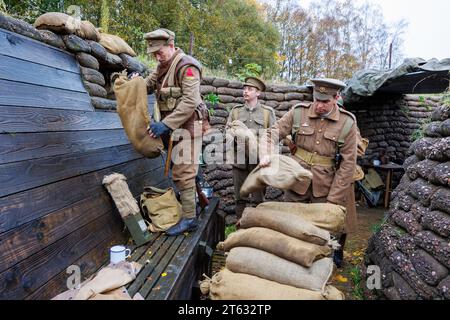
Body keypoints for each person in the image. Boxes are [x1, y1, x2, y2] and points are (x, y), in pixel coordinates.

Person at [260, 78, 358, 267]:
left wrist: (333, 200)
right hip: (296, 183)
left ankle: (318, 269)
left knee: (320, 234)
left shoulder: (347, 123)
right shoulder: (298, 113)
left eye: (325, 101)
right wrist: (267, 153)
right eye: (317, 100)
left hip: (325, 188)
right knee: (291, 228)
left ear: (336, 98)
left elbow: (348, 165)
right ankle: (290, 267)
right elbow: (272, 133)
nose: (319, 106)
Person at [131, 28, 205, 236]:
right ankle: (195, 200)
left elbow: (191, 101)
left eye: (160, 52)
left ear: (171, 46)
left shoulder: (187, 67)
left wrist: (166, 124)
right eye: (154, 53)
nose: (157, 56)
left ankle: (190, 219)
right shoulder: (162, 66)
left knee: (183, 173)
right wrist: (134, 81)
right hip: (174, 129)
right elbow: (147, 85)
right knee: (180, 169)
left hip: (189, 128)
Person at [226, 77, 276, 219]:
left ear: (258, 93)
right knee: (240, 197)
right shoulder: (236, 112)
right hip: (239, 161)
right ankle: (240, 226)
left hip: (258, 162)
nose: (246, 91)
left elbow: (274, 136)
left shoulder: (267, 113)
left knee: (258, 199)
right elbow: (227, 133)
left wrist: (268, 156)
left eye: (250, 89)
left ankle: (257, 227)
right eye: (245, 89)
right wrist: (236, 138)